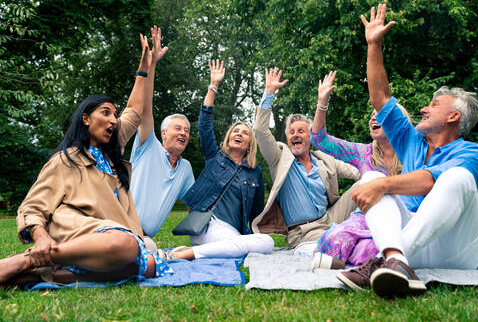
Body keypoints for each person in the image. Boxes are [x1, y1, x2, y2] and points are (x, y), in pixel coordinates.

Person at [337, 4, 478, 298]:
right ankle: (396, 260)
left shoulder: (474, 152)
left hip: (458, 252)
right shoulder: (410, 140)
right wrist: (373, 44)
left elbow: (430, 181)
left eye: (434, 105)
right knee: (369, 180)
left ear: (454, 117)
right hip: (414, 250)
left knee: (457, 178)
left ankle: (385, 261)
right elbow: (380, 97)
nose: (423, 108)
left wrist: (385, 183)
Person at [0, 30, 172, 287]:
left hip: (113, 235)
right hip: (77, 232)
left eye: (115, 115)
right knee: (127, 247)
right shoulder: (65, 160)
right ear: (85, 118)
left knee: (146, 264)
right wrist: (40, 237)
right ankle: (25, 261)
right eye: (105, 112)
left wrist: (145, 68)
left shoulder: (111, 153)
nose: (114, 120)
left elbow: (135, 110)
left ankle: (40, 272)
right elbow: (32, 207)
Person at [158, 60, 273, 261]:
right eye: (235, 131)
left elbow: (256, 213)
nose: (239, 133)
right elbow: (204, 125)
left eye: (245, 133)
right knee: (249, 247)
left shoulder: (255, 172)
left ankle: (184, 251)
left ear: (249, 143)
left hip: (230, 233)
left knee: (266, 242)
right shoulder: (215, 157)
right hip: (207, 224)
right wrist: (213, 85)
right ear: (228, 138)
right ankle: (183, 255)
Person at [309, 71, 412, 269]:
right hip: (364, 218)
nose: (373, 119)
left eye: (379, 114)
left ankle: (347, 261)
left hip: (401, 217)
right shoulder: (362, 153)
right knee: (332, 239)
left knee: (370, 247)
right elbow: (319, 140)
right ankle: (361, 260)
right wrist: (322, 103)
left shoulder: (413, 150)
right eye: (371, 116)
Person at [251, 67, 360, 249]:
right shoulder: (279, 158)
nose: (295, 135)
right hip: (303, 232)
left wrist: (385, 177)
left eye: (301, 131)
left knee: (370, 182)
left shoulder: (325, 160)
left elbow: (357, 172)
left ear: (311, 136)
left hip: (330, 219)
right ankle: (337, 245)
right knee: (340, 244)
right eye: (291, 132)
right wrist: (269, 93)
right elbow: (261, 131)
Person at [129, 26, 194, 252]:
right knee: (149, 251)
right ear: (164, 133)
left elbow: (194, 203)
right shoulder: (148, 145)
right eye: (178, 128)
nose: (184, 133)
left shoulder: (185, 169)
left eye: (186, 130)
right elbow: (145, 107)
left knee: (150, 249)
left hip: (144, 239)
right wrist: (152, 64)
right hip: (122, 226)